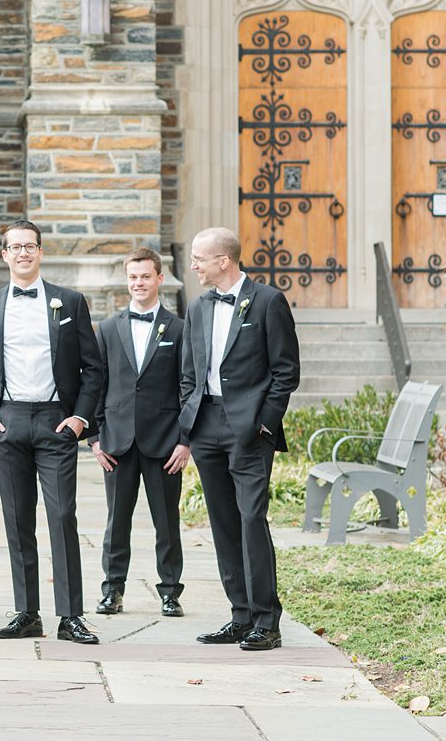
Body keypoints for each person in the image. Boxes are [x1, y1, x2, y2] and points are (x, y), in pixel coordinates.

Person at [0, 219, 105, 644]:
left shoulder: (70, 302)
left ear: (41, 252)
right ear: (4, 254)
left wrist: (79, 418)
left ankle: (70, 616)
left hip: (55, 421)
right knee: (17, 519)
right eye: (15, 247)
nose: (23, 253)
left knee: (62, 516)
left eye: (31, 246)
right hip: (8, 421)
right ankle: (27, 613)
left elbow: (93, 368)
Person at [179, 227, 300, 652]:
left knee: (251, 519)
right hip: (206, 425)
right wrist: (189, 420)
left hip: (249, 429)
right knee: (223, 523)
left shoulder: (268, 302)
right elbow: (189, 370)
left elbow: (286, 371)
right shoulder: (197, 307)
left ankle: (267, 620)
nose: (193, 265)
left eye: (199, 258)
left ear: (223, 261)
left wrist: (265, 422)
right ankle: (240, 615)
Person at [91, 247, 190, 619]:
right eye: (133, 277)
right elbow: (96, 383)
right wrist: (95, 437)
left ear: (159, 279)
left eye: (145, 276)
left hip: (165, 443)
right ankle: (112, 590)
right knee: (116, 522)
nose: (139, 283)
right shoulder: (108, 327)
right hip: (116, 442)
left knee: (167, 522)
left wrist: (185, 440)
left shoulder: (179, 328)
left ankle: (169, 592)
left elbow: (188, 385)